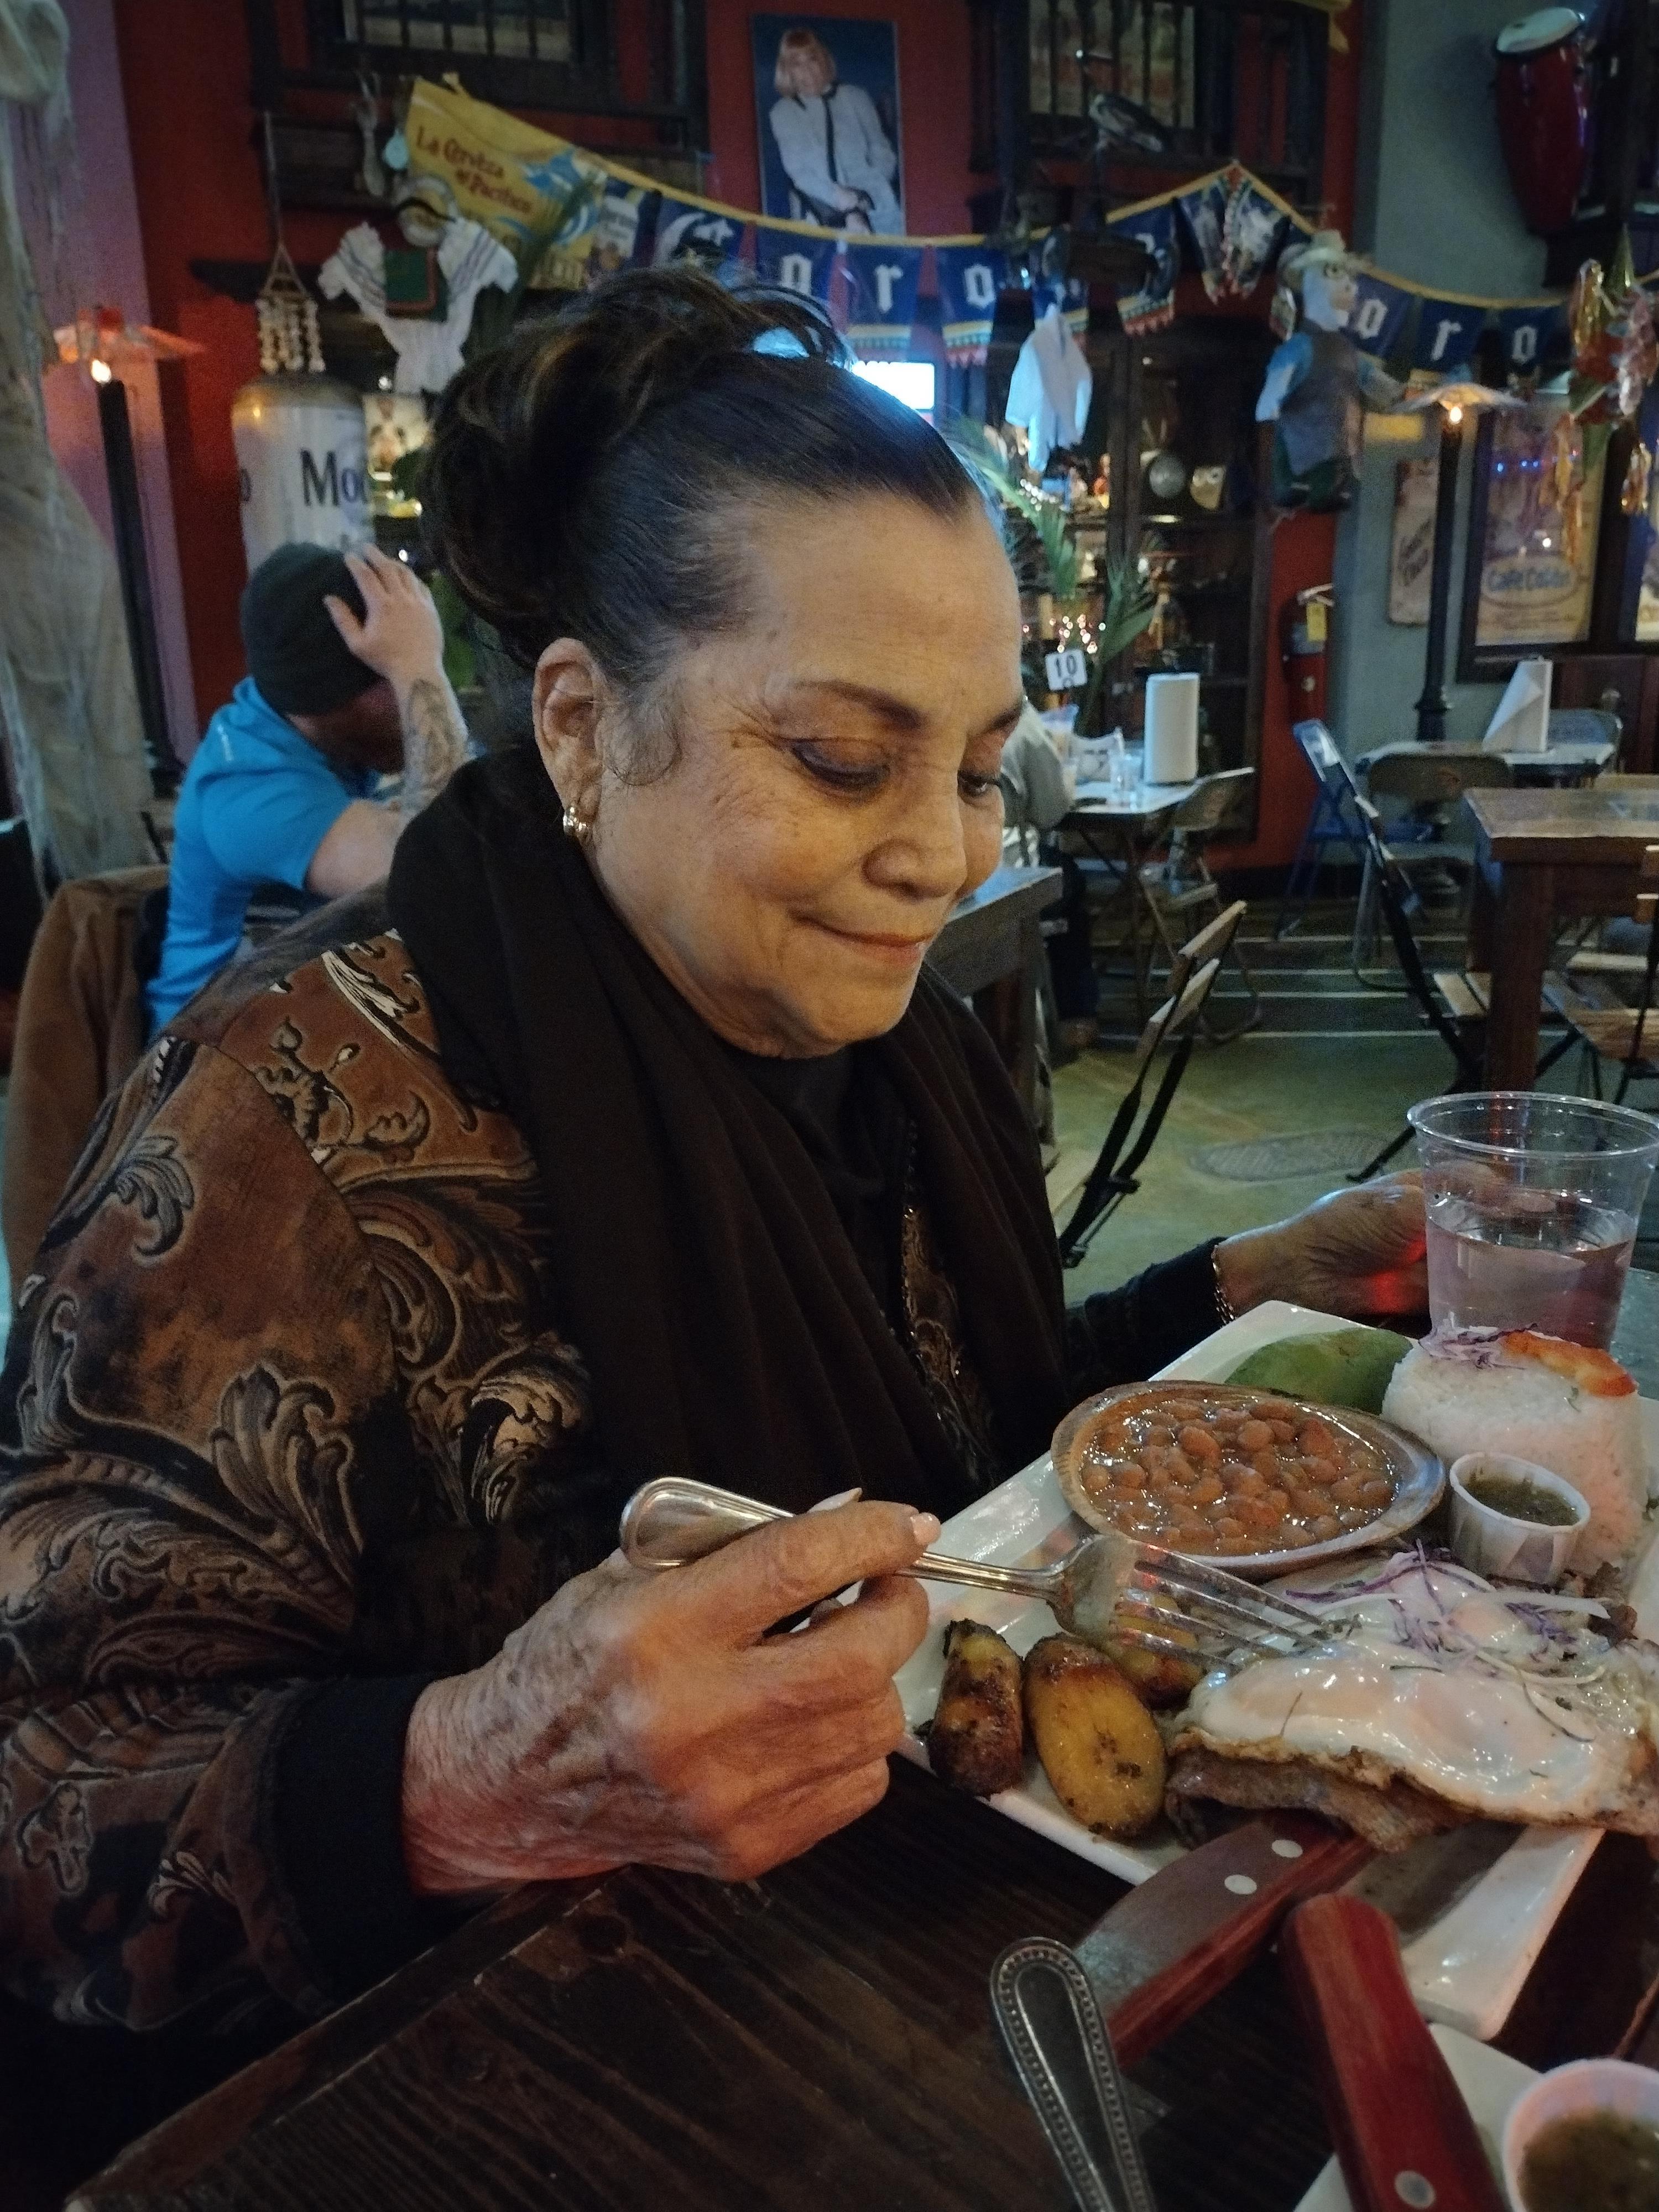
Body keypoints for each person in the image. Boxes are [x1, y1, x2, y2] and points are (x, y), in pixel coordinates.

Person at [0, 272, 1426, 2066]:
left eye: (983, 771)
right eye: (841, 759)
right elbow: (39, 1791)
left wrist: (1245, 1279)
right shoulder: (285, 1127)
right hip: (493, 2065)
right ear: (587, 728)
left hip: (918, 1959)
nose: (936, 854)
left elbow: (962, 1472)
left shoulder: (886, 1049)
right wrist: (468, 1777)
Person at [144, 541, 469, 1032]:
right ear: (331, 699)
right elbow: (449, 872)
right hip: (212, 1054)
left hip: (297, 1009)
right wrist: (417, 667)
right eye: (393, 679)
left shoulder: (299, 720)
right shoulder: (247, 792)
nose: (411, 706)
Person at [769, 28, 902, 234]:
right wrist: (842, 201)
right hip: (821, 215)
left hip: (877, 209)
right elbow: (800, 172)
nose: (808, 71)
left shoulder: (856, 97)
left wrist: (869, 194)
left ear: (823, 59)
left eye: (812, 59)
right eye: (797, 64)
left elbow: (882, 152)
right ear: (787, 71)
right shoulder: (783, 112)